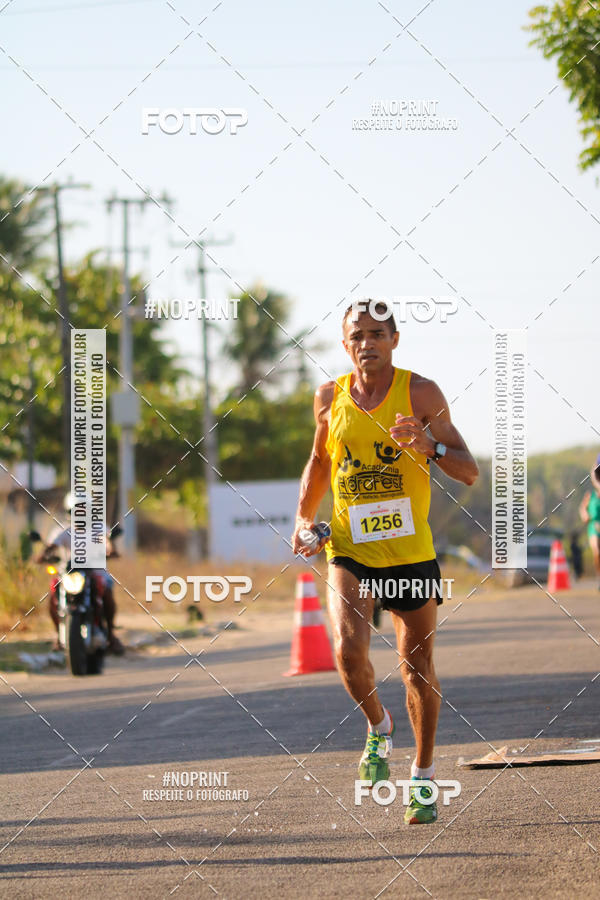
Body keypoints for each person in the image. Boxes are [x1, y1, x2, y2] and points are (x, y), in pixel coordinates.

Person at [292, 301, 478, 824]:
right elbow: (320, 460)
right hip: (349, 547)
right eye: (358, 336)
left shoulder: (421, 393)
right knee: (348, 651)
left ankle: (421, 778)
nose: (367, 343)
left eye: (378, 334)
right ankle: (378, 727)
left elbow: (469, 472)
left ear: (395, 339)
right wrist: (303, 518)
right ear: (344, 343)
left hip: (411, 552)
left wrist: (430, 446)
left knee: (415, 667)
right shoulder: (329, 397)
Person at [39, 494, 124, 654]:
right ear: (69, 513)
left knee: (106, 592)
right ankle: (59, 634)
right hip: (68, 573)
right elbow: (51, 547)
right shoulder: (63, 531)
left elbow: (107, 543)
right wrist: (45, 554)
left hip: (95, 571)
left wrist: (110, 550)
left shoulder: (99, 528)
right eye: (76, 511)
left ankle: (111, 634)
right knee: (52, 596)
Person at [579, 466, 600, 588]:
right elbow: (582, 509)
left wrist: (593, 474)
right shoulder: (590, 496)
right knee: (596, 551)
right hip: (593, 527)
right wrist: (584, 515)